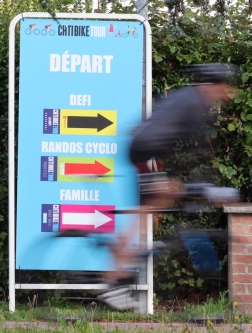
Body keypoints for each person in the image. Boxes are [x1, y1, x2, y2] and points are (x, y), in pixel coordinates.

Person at [99, 63, 242, 310]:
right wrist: (206, 188)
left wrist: (193, 185)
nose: (226, 94)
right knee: (155, 202)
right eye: (224, 88)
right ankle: (114, 279)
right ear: (214, 85)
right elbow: (195, 150)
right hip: (148, 149)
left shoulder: (186, 96)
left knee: (150, 207)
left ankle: (121, 268)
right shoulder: (197, 104)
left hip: (144, 147)